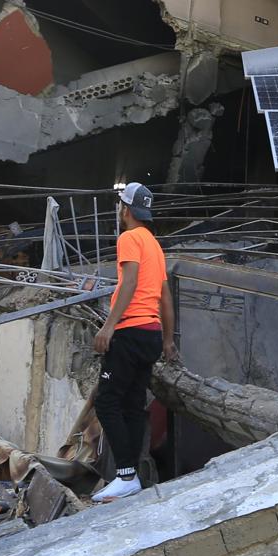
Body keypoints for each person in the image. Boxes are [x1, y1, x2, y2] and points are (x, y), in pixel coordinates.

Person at [90, 181, 175, 502]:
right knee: (133, 404)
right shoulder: (154, 244)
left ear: (125, 209)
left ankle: (126, 475)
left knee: (107, 401)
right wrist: (167, 340)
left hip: (129, 331)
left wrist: (109, 327)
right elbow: (165, 297)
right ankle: (131, 475)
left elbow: (131, 282)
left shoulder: (128, 238)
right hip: (151, 335)